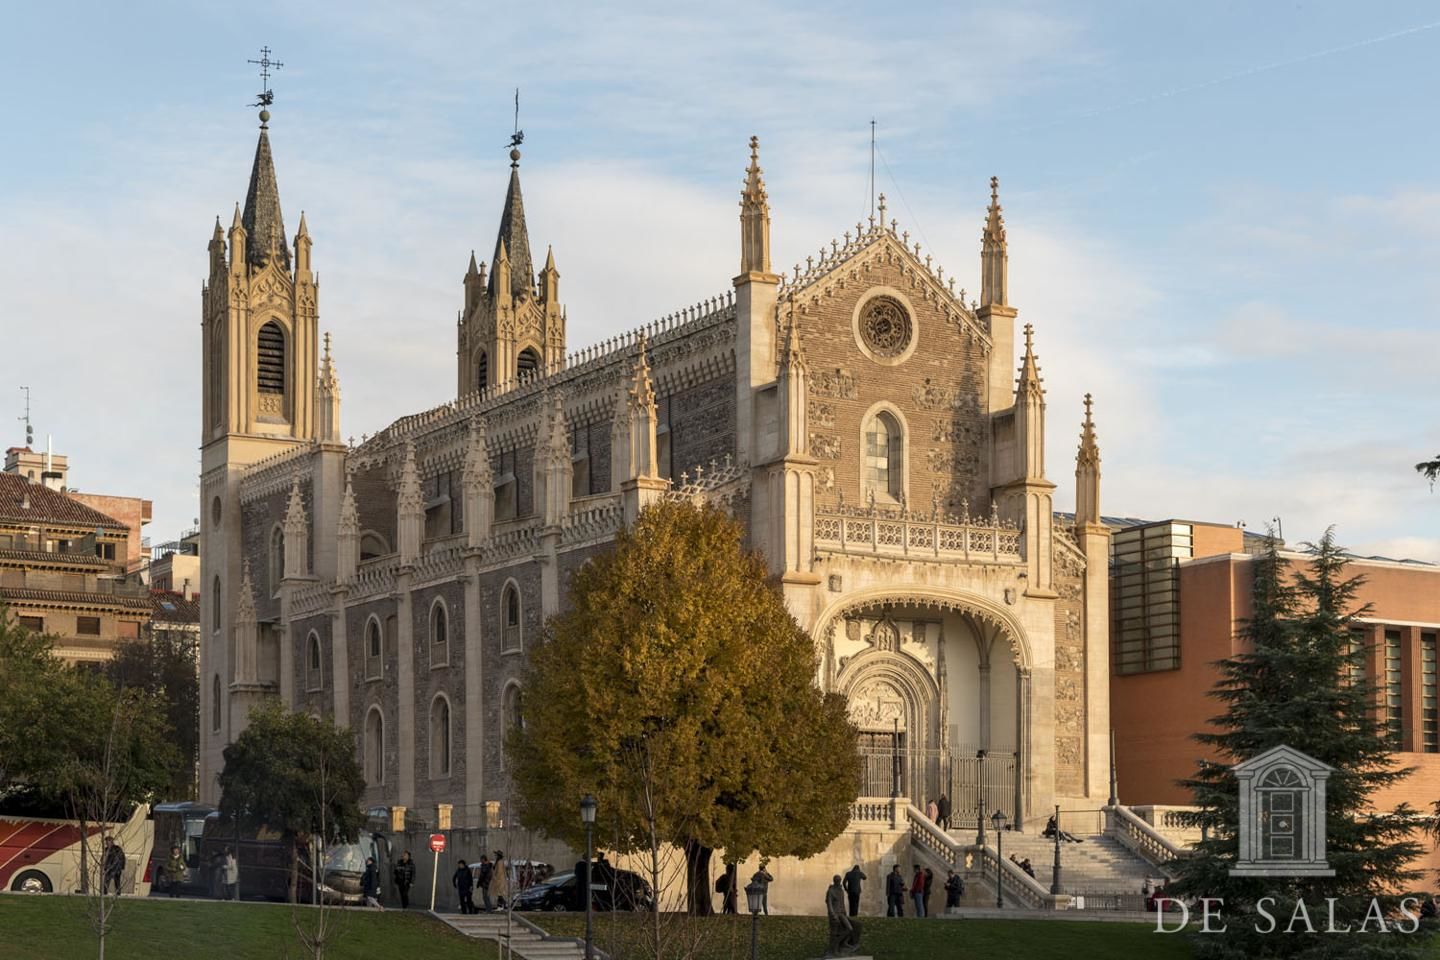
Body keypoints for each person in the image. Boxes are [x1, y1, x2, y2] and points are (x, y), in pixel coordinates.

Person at [825, 875, 859, 957]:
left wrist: (845, 913)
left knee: (850, 928)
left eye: (839, 880)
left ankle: (842, 942)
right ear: (834, 881)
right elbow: (829, 904)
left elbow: (842, 903)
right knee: (834, 933)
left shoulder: (841, 891)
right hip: (835, 914)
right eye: (837, 880)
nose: (838, 882)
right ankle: (834, 950)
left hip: (841, 913)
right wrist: (832, 915)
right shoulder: (831, 891)